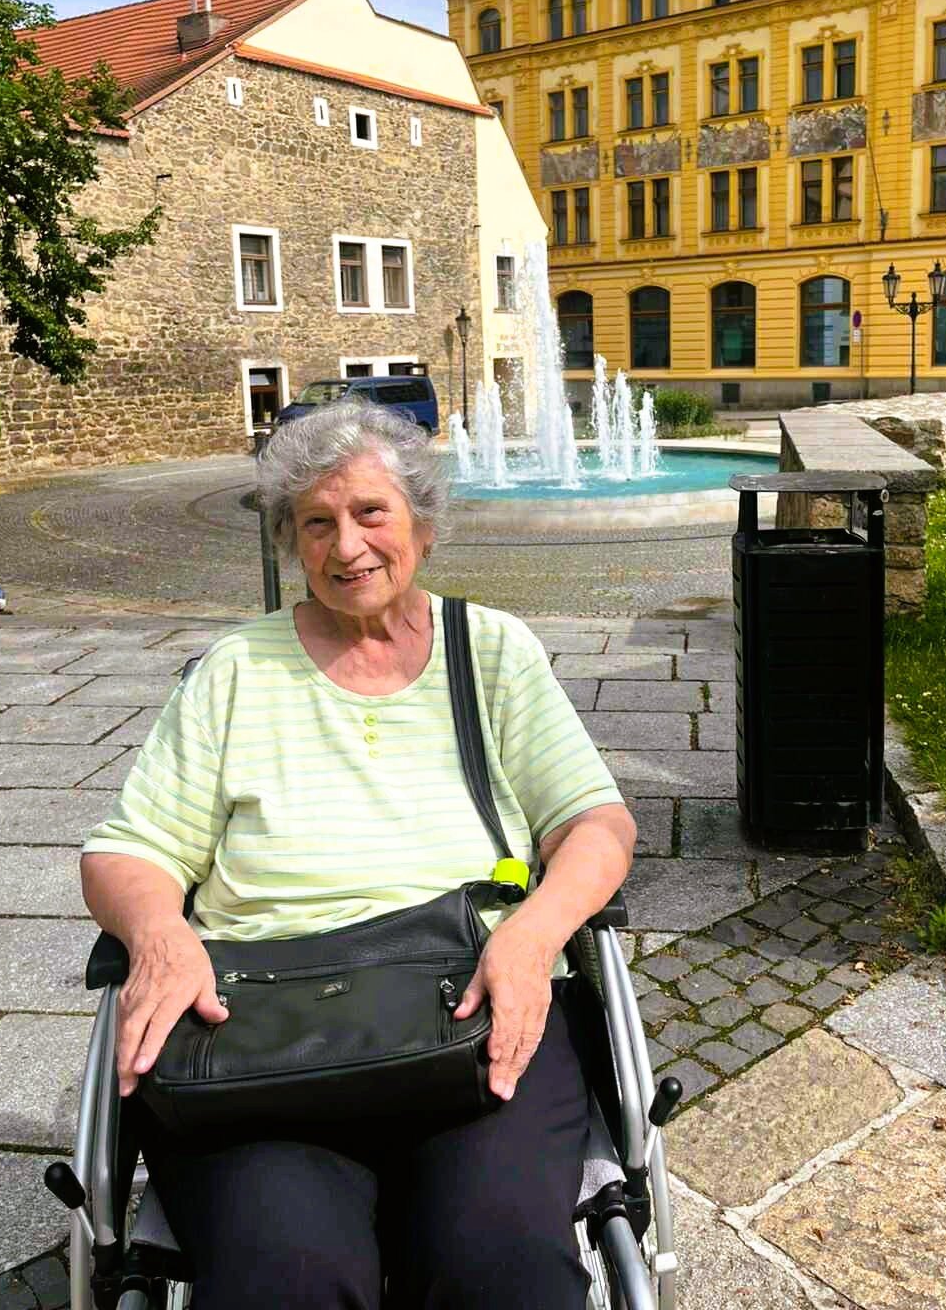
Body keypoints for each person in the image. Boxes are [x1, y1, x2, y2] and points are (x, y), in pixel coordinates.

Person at [81, 400, 636, 1309]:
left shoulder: (491, 651)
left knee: (501, 1267)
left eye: (371, 512)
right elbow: (127, 851)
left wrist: (534, 935)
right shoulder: (234, 671)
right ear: (290, 543)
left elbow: (595, 825)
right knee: (284, 1280)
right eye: (316, 523)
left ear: (422, 522)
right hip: (260, 1037)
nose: (347, 547)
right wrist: (159, 934)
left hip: (472, 1008)